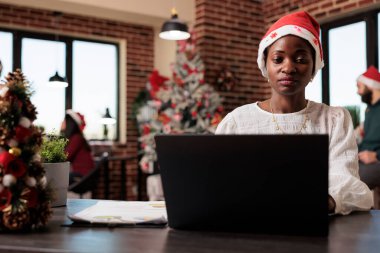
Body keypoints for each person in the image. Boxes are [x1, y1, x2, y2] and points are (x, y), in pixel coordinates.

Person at [215, 11, 373, 215]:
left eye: (300, 59)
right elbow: (219, 181)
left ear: (314, 67)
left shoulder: (334, 120)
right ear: (265, 64)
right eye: (278, 59)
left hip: (316, 229)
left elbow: (346, 182)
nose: (288, 67)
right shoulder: (237, 121)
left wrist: (322, 201)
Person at [356, 66, 380, 189]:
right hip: (363, 159)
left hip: (376, 160)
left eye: (359, 87)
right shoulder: (369, 110)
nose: (357, 92)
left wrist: (376, 156)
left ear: (370, 86)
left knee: (355, 181)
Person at [61, 110, 95, 185]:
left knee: (58, 178)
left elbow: (65, 156)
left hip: (83, 177)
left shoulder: (77, 138)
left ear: (70, 123)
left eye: (64, 120)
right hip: (82, 174)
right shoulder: (76, 137)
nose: (62, 122)